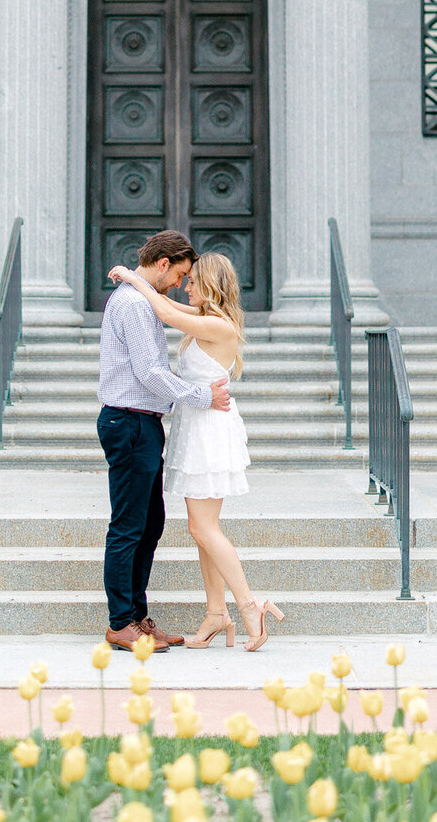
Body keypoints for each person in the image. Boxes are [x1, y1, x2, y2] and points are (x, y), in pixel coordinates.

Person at [108, 250, 285, 653]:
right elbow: (168, 307)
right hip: (197, 425)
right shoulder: (204, 321)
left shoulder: (217, 325)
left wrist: (135, 280)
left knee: (203, 527)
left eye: (192, 280)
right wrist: (143, 284)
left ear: (209, 285)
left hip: (209, 430)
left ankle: (249, 605)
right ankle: (215, 612)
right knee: (200, 528)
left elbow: (167, 314)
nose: (185, 286)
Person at [96, 230, 230, 652]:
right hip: (129, 422)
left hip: (141, 423)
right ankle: (122, 623)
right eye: (181, 274)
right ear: (163, 262)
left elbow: (169, 321)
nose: (179, 283)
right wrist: (201, 396)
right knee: (130, 525)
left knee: (149, 524)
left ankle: (137, 617)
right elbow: (150, 373)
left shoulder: (140, 298)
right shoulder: (135, 304)